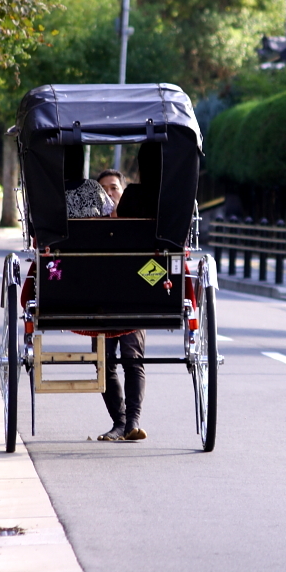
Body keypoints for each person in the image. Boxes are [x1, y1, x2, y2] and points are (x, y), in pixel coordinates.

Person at [96, 146, 161, 442]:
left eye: (114, 188)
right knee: (105, 361)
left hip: (137, 292)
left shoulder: (142, 214)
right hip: (98, 298)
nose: (110, 194)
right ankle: (119, 422)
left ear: (124, 191)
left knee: (132, 358)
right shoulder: (90, 226)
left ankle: (133, 421)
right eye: (104, 190)